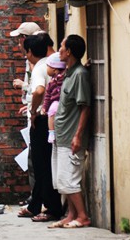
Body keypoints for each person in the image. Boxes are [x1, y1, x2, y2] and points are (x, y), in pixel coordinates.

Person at [48, 34, 91, 229]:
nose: (59, 51)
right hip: (61, 135)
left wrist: (78, 135)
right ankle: (71, 214)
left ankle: (82, 216)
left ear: (69, 51)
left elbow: (85, 107)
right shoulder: (70, 73)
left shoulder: (79, 75)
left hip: (71, 137)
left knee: (69, 179)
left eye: (62, 47)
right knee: (61, 180)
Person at [21, 35, 63, 222]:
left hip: (43, 120)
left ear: (30, 52)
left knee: (41, 166)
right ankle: (35, 205)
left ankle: (53, 208)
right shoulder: (53, 62)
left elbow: (39, 90)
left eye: (26, 52)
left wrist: (33, 111)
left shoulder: (39, 68)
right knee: (45, 164)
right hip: (56, 119)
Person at [9, 21, 41, 213]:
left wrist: (23, 85)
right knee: (31, 157)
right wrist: (27, 106)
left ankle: (36, 199)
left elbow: (39, 89)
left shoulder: (37, 63)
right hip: (32, 111)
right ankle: (33, 196)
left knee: (35, 159)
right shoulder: (29, 60)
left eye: (21, 38)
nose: (19, 42)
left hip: (38, 115)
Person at [41, 52, 66, 144]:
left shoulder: (64, 76)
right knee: (51, 111)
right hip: (56, 101)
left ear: (54, 69)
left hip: (63, 101)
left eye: (48, 66)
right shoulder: (51, 82)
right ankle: (52, 131)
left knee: (52, 110)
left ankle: (52, 132)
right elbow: (47, 96)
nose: (46, 68)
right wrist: (45, 107)